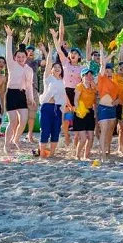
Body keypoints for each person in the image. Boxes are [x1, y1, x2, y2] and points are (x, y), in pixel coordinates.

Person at [3, 25, 35, 154]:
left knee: (23, 120)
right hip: (11, 93)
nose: (20, 59)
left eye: (23, 57)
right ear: (15, 57)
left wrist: (31, 99)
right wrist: (9, 36)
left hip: (22, 94)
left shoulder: (29, 70)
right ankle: (6, 144)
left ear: (26, 57)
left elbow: (29, 85)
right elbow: (8, 52)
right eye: (18, 57)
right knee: (13, 121)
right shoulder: (12, 65)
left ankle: (16, 139)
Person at [53, 14, 83, 147]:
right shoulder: (65, 62)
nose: (73, 54)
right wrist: (60, 21)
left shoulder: (82, 68)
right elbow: (59, 44)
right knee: (64, 116)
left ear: (79, 57)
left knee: (73, 116)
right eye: (72, 53)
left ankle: (74, 139)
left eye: (76, 53)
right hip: (64, 91)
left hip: (76, 92)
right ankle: (65, 136)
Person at [96, 44, 122, 162]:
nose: (107, 71)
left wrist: (117, 100)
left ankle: (107, 149)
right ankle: (102, 154)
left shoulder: (115, 81)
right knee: (104, 130)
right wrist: (103, 51)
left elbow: (119, 96)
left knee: (110, 131)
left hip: (112, 108)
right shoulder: (102, 79)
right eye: (106, 70)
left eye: (109, 70)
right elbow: (102, 64)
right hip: (103, 108)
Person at [39, 56, 67, 158]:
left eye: (59, 67)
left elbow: (63, 97)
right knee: (45, 131)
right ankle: (42, 153)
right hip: (47, 107)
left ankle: (52, 154)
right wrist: (50, 51)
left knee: (56, 131)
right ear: (51, 70)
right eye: (55, 67)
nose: (57, 68)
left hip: (58, 108)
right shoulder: (48, 79)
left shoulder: (62, 82)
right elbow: (47, 65)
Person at [22, 29, 45, 143]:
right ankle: (16, 136)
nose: (30, 52)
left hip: (34, 90)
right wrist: (26, 36)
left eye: (32, 51)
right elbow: (20, 48)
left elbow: (46, 62)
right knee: (20, 114)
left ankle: (30, 135)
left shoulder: (35, 62)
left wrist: (43, 50)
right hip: (21, 91)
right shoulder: (21, 61)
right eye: (28, 50)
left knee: (32, 115)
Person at [73, 68, 97, 160]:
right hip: (80, 112)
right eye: (86, 75)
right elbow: (76, 100)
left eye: (90, 75)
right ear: (82, 77)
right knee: (83, 138)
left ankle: (86, 156)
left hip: (90, 113)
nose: (89, 77)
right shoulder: (79, 86)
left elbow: (94, 102)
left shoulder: (93, 88)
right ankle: (77, 155)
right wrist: (78, 110)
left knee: (91, 137)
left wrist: (95, 114)